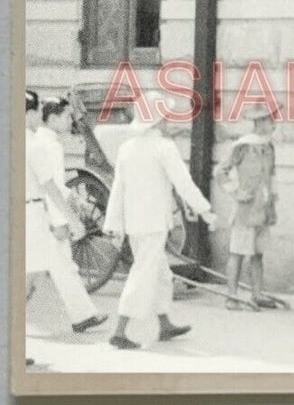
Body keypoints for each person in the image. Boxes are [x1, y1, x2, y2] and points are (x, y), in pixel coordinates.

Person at [103, 96, 218, 350]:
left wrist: (114, 223)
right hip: (154, 223)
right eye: (165, 116)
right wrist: (206, 211)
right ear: (157, 120)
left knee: (162, 275)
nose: (168, 120)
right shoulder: (164, 147)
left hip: (135, 223)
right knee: (144, 274)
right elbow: (183, 184)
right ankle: (120, 330)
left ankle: (164, 323)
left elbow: (117, 189)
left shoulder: (127, 148)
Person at [31, 97, 108, 334]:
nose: (70, 121)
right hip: (44, 216)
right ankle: (82, 315)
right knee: (41, 270)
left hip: (40, 213)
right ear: (52, 118)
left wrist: (75, 203)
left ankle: (82, 315)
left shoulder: (39, 141)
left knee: (61, 266)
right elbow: (50, 186)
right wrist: (61, 221)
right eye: (66, 116)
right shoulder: (50, 145)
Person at [215, 104, 279, 311]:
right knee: (238, 253)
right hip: (245, 212)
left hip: (263, 211)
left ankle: (257, 294)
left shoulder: (269, 147)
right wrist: (235, 192)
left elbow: (272, 175)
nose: (274, 124)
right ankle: (231, 296)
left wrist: (273, 198)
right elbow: (221, 172)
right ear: (260, 123)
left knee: (258, 254)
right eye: (270, 120)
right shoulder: (243, 146)